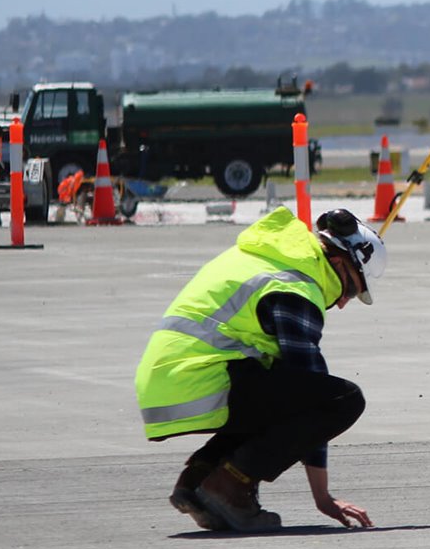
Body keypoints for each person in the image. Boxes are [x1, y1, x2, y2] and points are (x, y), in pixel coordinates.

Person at [134, 206, 387, 532]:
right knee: (344, 400)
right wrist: (323, 497)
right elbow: (311, 389)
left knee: (272, 387)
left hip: (168, 382)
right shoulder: (296, 287)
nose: (342, 302)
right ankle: (230, 487)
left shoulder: (266, 257)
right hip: (199, 381)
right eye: (351, 290)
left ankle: (198, 479)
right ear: (338, 263)